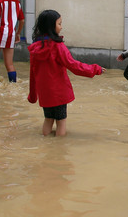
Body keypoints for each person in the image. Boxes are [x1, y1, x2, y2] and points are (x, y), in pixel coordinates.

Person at [27, 9, 105, 137]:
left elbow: (33, 73)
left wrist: (32, 95)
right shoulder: (58, 46)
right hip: (58, 92)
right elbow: (73, 66)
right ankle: (59, 151)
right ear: (51, 26)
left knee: (48, 119)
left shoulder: (35, 47)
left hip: (45, 92)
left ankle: (46, 147)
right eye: (59, 24)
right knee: (61, 122)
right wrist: (95, 69)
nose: (61, 27)